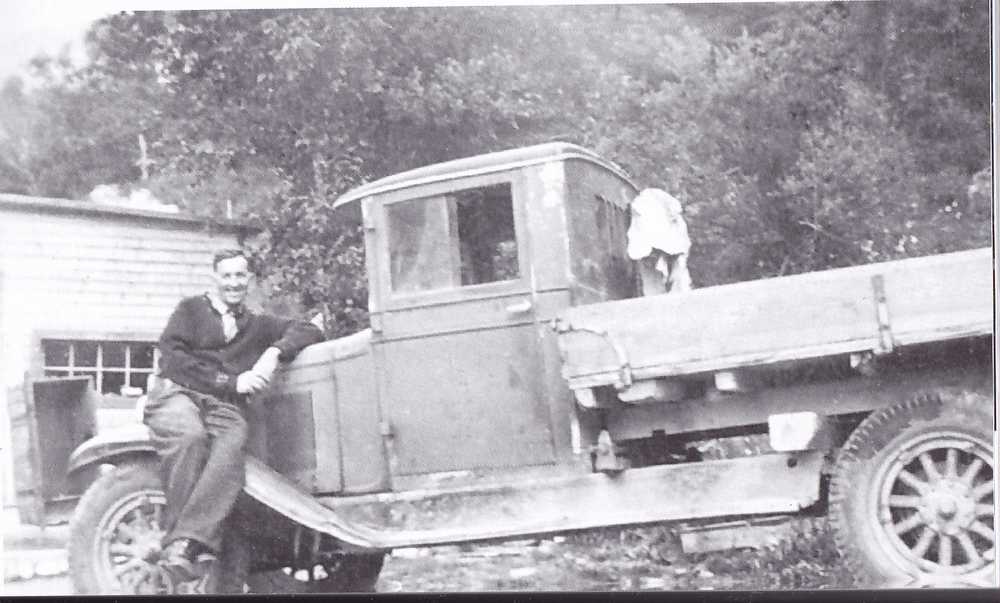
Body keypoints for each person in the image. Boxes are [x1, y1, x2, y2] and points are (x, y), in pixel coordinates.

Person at [143, 248, 324, 581]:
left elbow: (309, 329)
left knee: (235, 437)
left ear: (250, 280)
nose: (234, 283)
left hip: (220, 405)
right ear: (215, 278)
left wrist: (274, 352)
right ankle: (182, 542)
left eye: (240, 276)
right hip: (178, 393)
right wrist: (230, 382)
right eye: (227, 276)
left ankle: (190, 542)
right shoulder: (190, 310)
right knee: (190, 436)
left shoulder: (257, 324)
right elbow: (172, 360)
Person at [626, 188, 693, 296]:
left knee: (676, 270)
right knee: (652, 273)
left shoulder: (674, 223)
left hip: (666, 242)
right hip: (652, 241)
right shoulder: (645, 206)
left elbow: (680, 250)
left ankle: (673, 289)